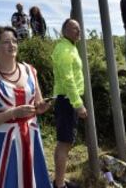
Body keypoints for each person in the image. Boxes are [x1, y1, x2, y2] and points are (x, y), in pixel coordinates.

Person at [0, 26, 51, 188]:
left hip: (30, 139)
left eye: (14, 41)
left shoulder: (30, 71)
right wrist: (13, 113)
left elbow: (38, 102)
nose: (12, 45)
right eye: (6, 42)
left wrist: (41, 107)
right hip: (1, 145)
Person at [51, 19, 88, 188]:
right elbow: (68, 79)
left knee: (63, 143)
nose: (78, 31)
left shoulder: (70, 46)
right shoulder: (65, 49)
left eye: (79, 28)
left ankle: (59, 181)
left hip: (66, 100)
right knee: (65, 144)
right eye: (74, 28)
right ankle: (59, 185)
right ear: (64, 30)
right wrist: (77, 103)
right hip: (67, 101)